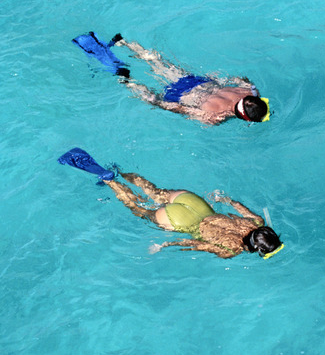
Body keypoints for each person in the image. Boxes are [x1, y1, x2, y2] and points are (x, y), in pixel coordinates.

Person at [58, 148, 284, 259]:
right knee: (139, 209)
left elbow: (235, 204)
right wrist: (164, 245)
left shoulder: (257, 220)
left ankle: (122, 173)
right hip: (182, 222)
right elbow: (194, 244)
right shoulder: (231, 250)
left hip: (196, 204)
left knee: (154, 191)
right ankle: (110, 181)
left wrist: (222, 198)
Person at [75, 32, 271, 125]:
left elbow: (241, 79)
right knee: (150, 99)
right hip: (181, 95)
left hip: (197, 81)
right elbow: (180, 109)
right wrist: (158, 103)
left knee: (159, 62)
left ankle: (125, 43)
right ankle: (126, 80)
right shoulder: (214, 117)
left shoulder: (250, 90)